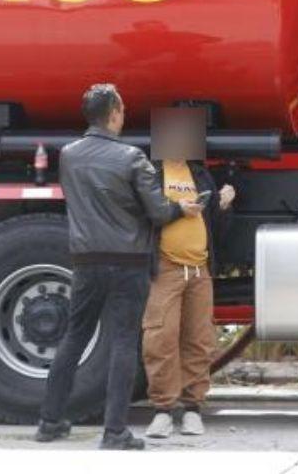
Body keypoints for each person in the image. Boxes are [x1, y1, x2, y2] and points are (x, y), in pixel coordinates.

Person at [36, 84, 201, 450]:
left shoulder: (69, 155)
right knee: (123, 341)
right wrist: (182, 209)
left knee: (74, 336)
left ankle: (49, 422)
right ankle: (114, 432)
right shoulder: (132, 158)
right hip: (128, 261)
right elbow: (158, 212)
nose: (124, 115)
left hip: (86, 259)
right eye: (122, 109)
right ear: (113, 113)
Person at [142, 108, 236, 439]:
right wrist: (180, 210)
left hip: (199, 268)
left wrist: (223, 206)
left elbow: (216, 229)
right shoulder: (151, 174)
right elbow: (146, 215)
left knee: (199, 340)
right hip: (166, 267)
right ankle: (163, 410)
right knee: (160, 338)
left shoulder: (201, 175)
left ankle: (193, 408)